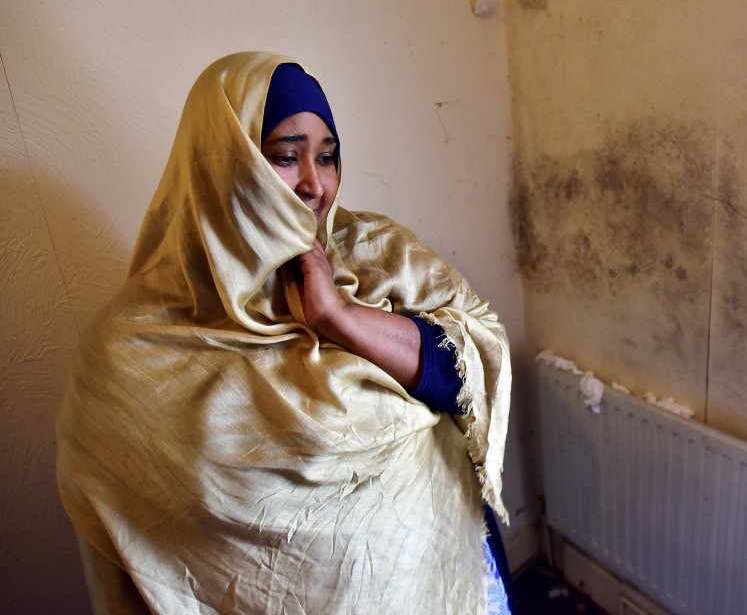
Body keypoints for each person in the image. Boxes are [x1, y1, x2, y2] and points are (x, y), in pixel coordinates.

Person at [56, 52, 512, 614]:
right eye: (284, 157)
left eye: (327, 157)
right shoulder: (131, 349)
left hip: (443, 581)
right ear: (224, 164)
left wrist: (338, 317)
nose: (314, 185)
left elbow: (469, 367)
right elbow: (133, 528)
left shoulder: (378, 255)